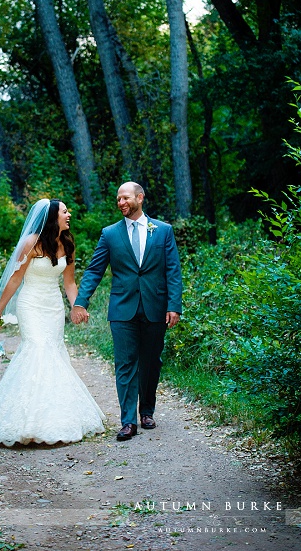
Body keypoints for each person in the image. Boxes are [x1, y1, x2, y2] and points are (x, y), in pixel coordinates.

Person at [0, 198, 105, 446]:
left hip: (52, 307)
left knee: (53, 353)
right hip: (31, 305)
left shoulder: (68, 244)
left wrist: (78, 306)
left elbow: (69, 283)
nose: (69, 214)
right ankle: (22, 421)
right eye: (64, 211)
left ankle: (52, 419)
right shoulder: (31, 243)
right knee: (37, 349)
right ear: (52, 217)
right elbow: (16, 278)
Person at [71, 182, 182, 442]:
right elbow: (94, 270)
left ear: (140, 198)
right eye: (118, 199)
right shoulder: (110, 234)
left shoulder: (163, 231)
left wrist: (174, 305)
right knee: (125, 364)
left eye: (125, 198)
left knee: (151, 362)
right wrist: (81, 301)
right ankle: (128, 421)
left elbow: (173, 271)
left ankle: (147, 411)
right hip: (122, 309)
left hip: (155, 307)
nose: (121, 202)